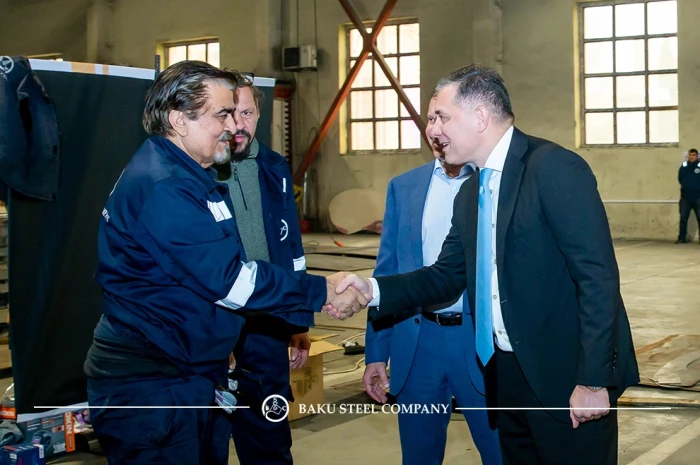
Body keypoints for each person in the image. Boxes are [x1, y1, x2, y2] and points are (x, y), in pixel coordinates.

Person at [332, 64, 639, 465]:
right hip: (505, 377)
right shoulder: (472, 192)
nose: (432, 130)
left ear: (479, 117)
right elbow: (445, 276)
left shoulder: (552, 168)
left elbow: (597, 279)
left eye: (441, 117)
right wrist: (371, 289)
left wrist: (594, 381)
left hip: (565, 379)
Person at [83, 61, 365, 465]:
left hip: (187, 370)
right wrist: (323, 291)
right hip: (154, 383)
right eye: (222, 115)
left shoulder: (189, 177)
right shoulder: (167, 188)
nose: (233, 126)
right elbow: (233, 282)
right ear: (179, 120)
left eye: (237, 113)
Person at [363, 96, 501, 465]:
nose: (435, 130)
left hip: (480, 344)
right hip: (418, 342)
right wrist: (376, 353)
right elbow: (387, 272)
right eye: (430, 119)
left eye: (444, 118)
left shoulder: (494, 183)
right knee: (419, 455)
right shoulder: (404, 187)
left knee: (500, 453)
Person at [211, 73, 311, 464]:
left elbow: (293, 250)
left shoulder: (274, 166)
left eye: (248, 113)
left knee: (269, 441)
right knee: (207, 441)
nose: (239, 124)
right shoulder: (199, 169)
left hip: (267, 326)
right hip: (215, 327)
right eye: (229, 113)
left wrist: (298, 321)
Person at [676, 148, 700, 244]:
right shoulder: (684, 166)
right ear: (687, 156)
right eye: (690, 155)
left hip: (698, 197)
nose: (691, 157)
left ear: (697, 156)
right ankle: (682, 238)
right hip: (685, 198)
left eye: (694, 155)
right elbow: (680, 179)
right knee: (683, 218)